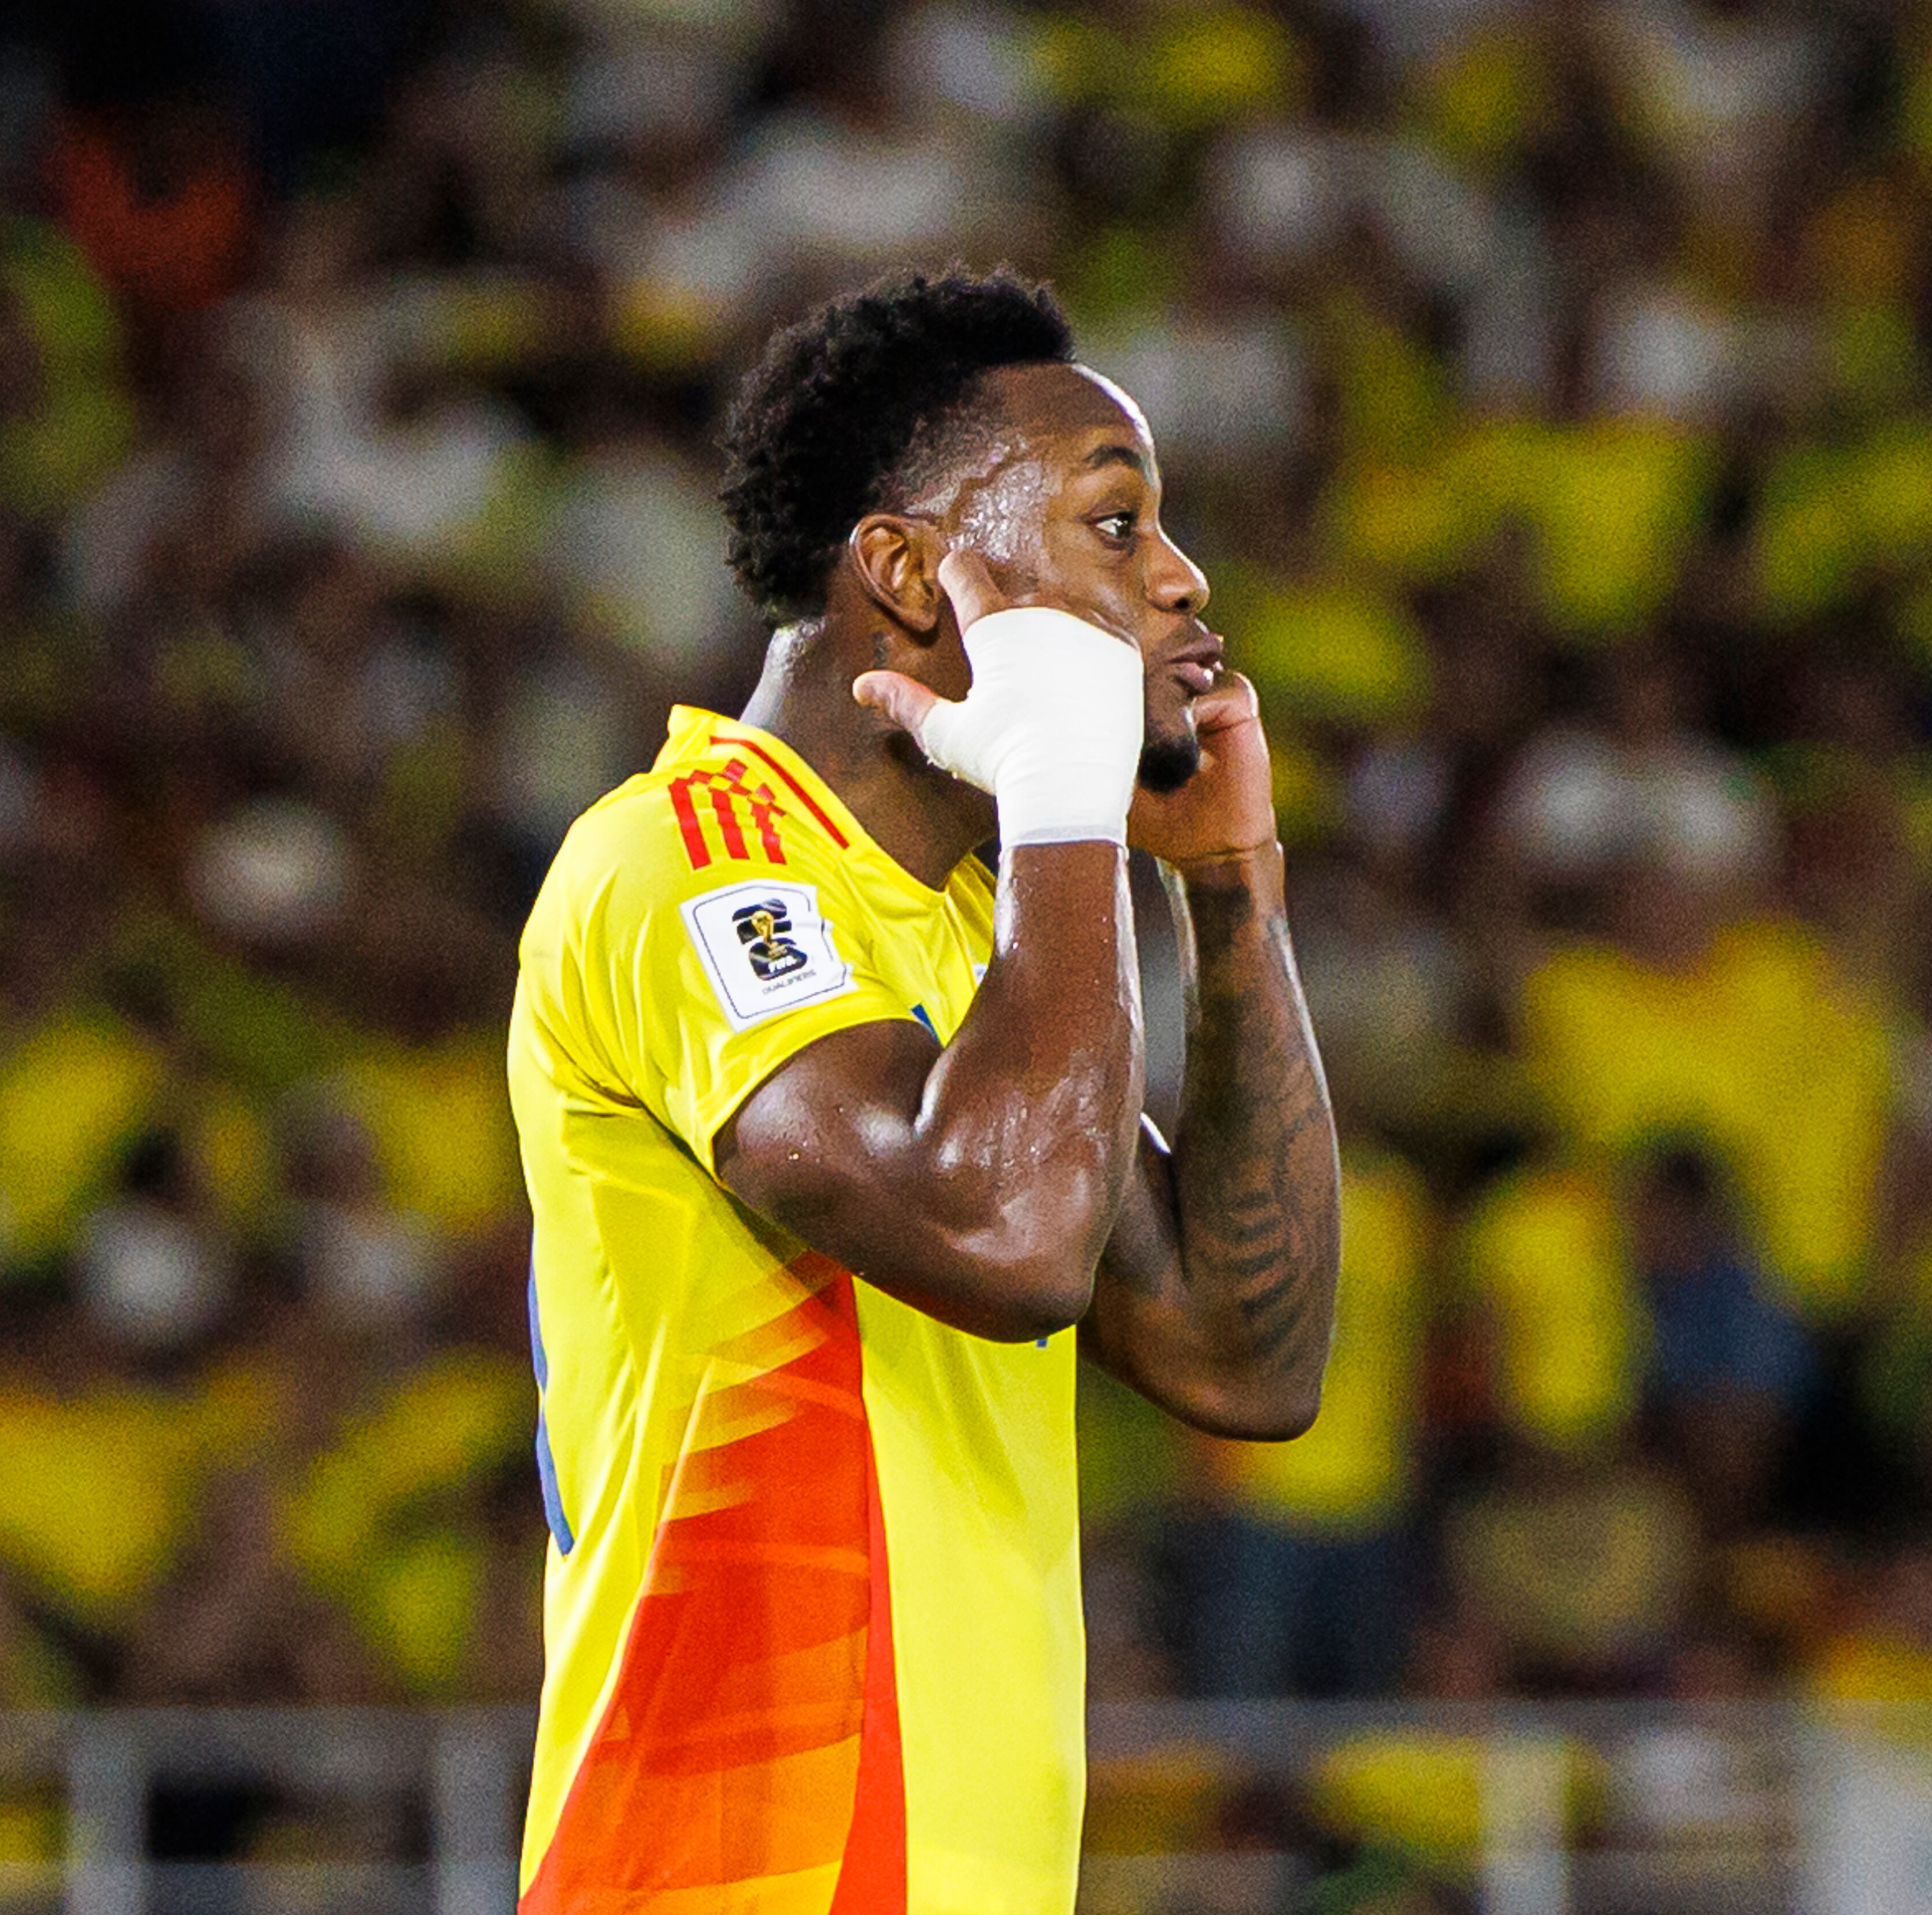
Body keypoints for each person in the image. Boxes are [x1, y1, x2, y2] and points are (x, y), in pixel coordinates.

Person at [507, 268, 1340, 1912]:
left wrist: (1229, 897)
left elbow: (1250, 1360)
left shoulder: (985, 941)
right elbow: (1014, 1240)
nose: (1182, 580)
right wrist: (1061, 803)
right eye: (1115, 527)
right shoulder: (686, 860)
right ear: (904, 573)